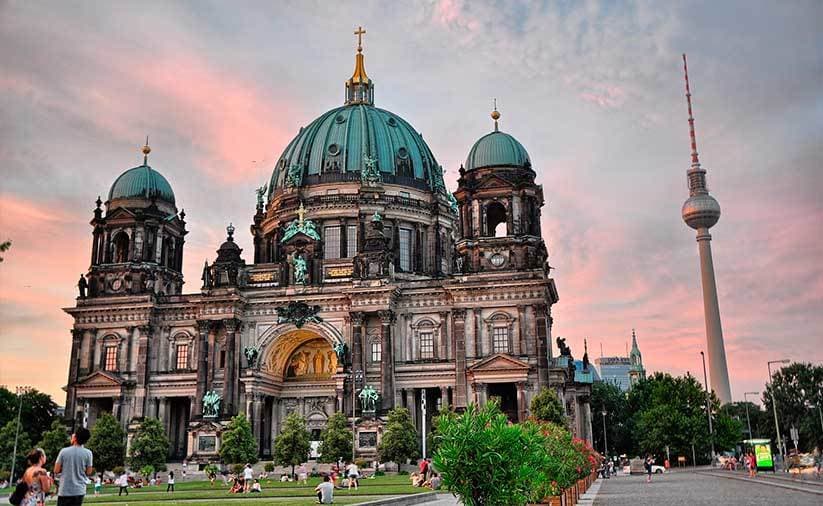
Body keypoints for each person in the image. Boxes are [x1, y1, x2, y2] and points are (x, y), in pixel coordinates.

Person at [53, 427, 94, 506]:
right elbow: (89, 472)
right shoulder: (88, 453)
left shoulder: (64, 451)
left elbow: (56, 470)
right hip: (79, 490)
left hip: (65, 489)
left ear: (75, 437)